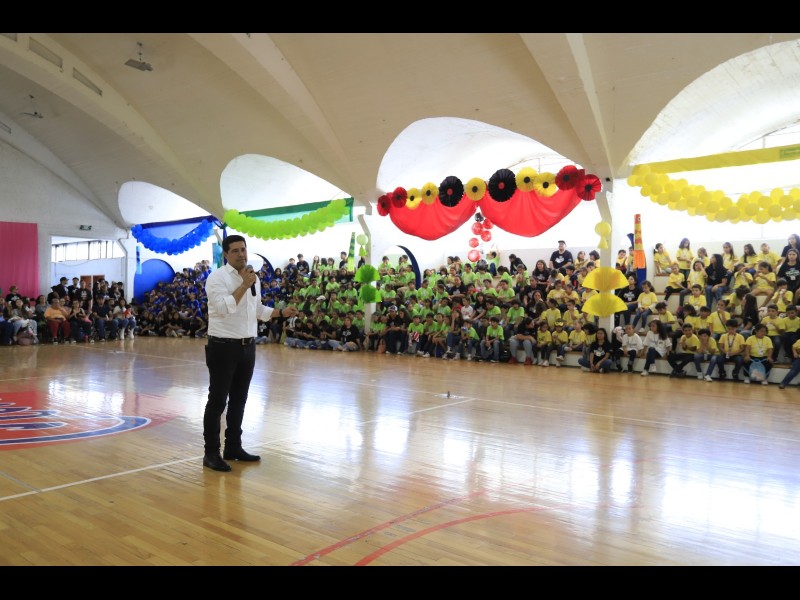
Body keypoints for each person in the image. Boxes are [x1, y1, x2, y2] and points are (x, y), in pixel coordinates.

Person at [202, 235, 299, 473]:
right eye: (235, 251)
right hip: (223, 346)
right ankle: (211, 453)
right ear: (226, 254)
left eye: (243, 250)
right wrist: (244, 285)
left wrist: (281, 312)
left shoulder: (253, 278)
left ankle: (233, 447)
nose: (241, 254)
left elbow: (257, 309)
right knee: (217, 401)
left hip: (247, 346)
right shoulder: (217, 278)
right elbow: (223, 308)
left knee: (239, 399)